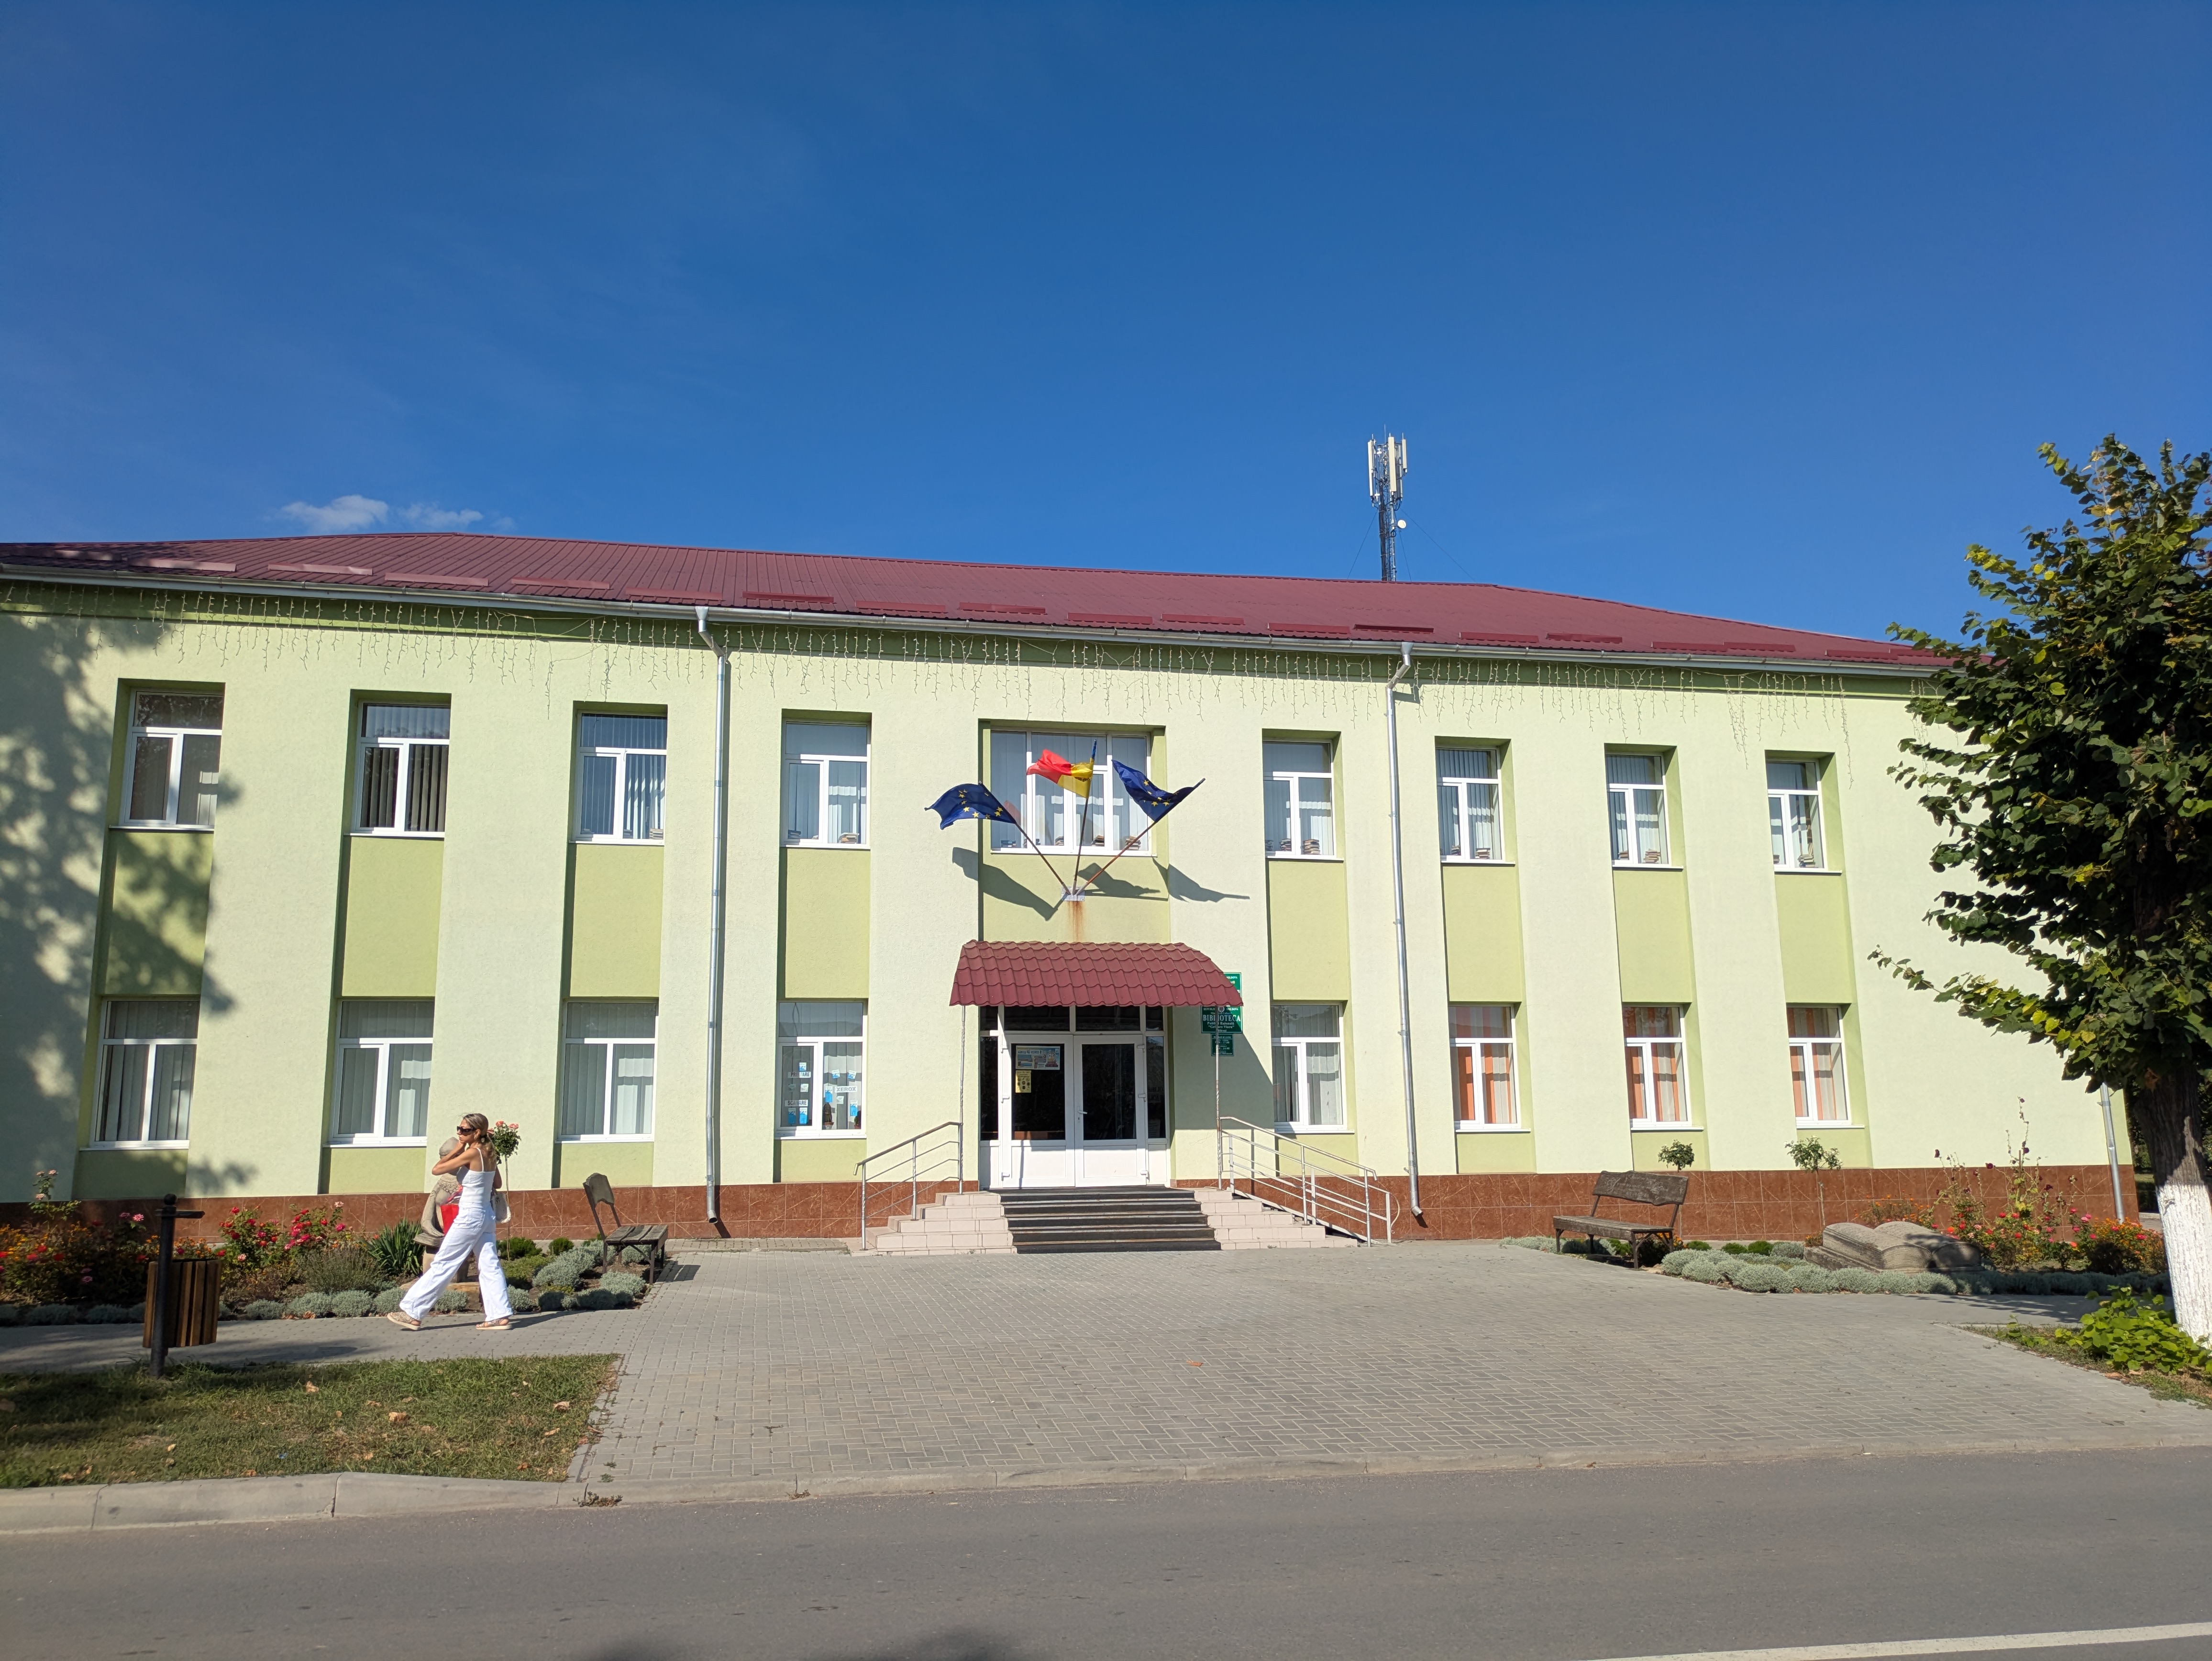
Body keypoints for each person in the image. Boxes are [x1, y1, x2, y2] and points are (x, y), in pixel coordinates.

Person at [389, 1113, 514, 1331]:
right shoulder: (489, 1152)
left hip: (469, 1216)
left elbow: (437, 1170)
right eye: (459, 1128)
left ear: (477, 1133)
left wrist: (458, 1149)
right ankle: (499, 1315)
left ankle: (413, 1313)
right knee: (489, 1264)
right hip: (486, 1214)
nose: (460, 1132)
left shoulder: (473, 1153)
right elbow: (498, 1181)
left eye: (465, 1130)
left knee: (444, 1263)